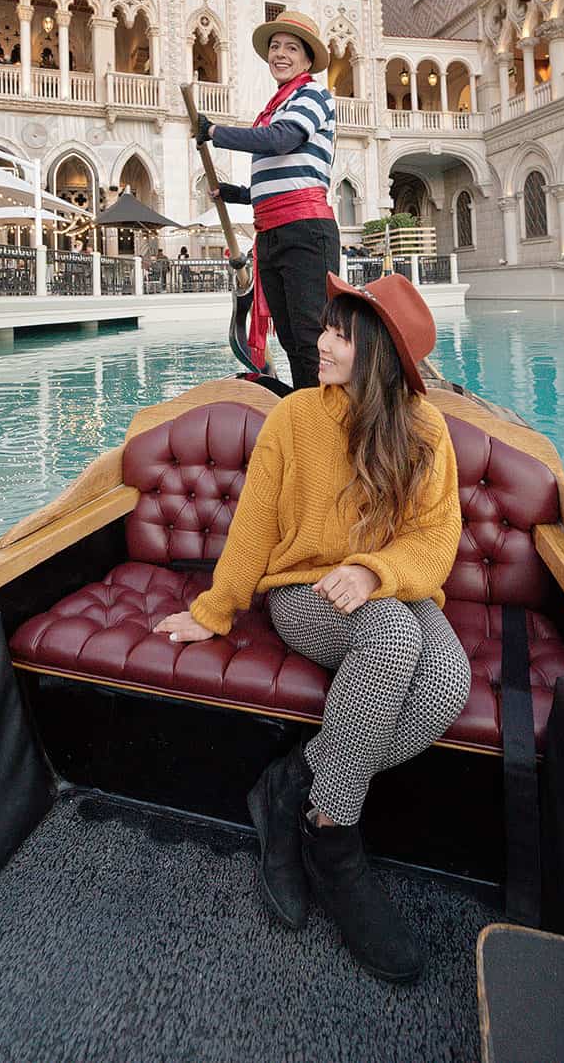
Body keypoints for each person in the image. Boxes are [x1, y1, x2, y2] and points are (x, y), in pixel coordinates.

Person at [155, 273, 470, 982]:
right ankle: (333, 837)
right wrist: (215, 609)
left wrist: (372, 571)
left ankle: (292, 784)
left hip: (389, 584)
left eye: (338, 334)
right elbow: (256, 523)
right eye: (324, 329)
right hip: (302, 591)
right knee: (392, 640)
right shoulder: (294, 416)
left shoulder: (424, 431)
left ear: (380, 354)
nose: (319, 342)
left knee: (447, 679)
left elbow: (434, 541)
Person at [195, 9, 339, 389]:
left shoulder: (313, 95)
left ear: (308, 59)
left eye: (292, 48)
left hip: (306, 231)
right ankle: (305, 407)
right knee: (290, 337)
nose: (280, 53)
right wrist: (237, 194)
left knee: (310, 336)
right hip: (272, 233)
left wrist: (215, 131)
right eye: (275, 46)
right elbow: (278, 181)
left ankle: (318, 421)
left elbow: (282, 140)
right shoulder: (275, 106)